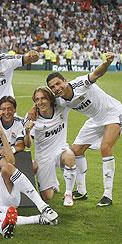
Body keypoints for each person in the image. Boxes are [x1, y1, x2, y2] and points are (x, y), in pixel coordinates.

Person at [46, 52, 121, 207]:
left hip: (113, 112)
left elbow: (96, 74)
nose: (56, 88)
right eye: (52, 87)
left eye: (58, 83)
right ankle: (81, 191)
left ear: (65, 81)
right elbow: (45, 104)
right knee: (75, 150)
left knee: (105, 148)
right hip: (95, 120)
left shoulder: (80, 83)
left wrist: (107, 63)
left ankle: (107, 195)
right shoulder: (60, 101)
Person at [25, 87, 76, 206]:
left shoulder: (61, 108)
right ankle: (52, 183)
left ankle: (68, 194)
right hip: (43, 157)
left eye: (43, 98)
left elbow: (67, 93)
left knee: (69, 155)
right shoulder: (32, 117)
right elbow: (27, 144)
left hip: (60, 151)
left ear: (50, 99)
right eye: (37, 99)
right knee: (47, 197)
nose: (40, 102)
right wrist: (27, 132)